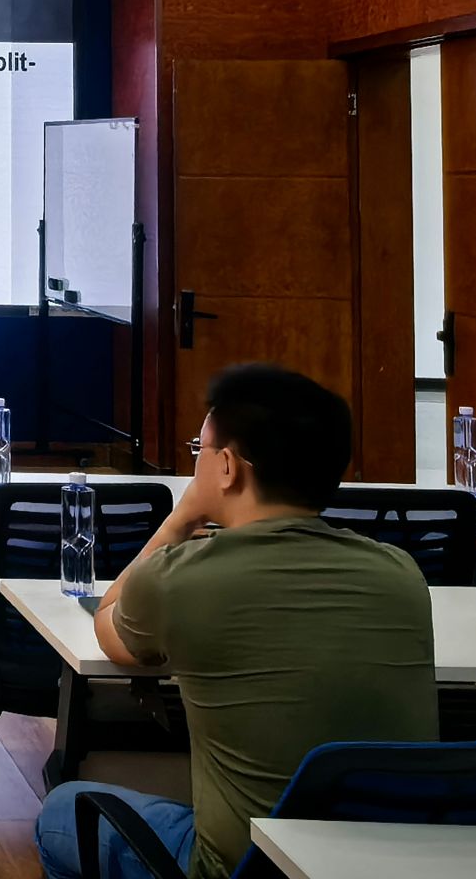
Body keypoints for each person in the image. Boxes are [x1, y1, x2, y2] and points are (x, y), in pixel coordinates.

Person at [36, 363, 437, 879]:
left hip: (243, 869)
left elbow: (108, 624)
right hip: (388, 868)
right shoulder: (401, 574)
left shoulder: (180, 579)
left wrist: (181, 518)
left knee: (61, 812)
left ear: (226, 466)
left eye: (199, 450)